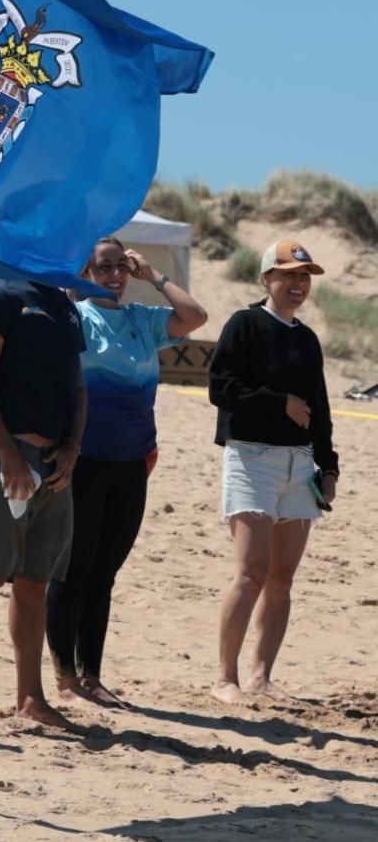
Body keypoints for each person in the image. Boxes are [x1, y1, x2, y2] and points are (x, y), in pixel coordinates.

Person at [47, 239, 207, 708]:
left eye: (121, 266)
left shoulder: (142, 319)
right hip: (82, 461)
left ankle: (92, 676)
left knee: (105, 574)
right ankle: (64, 678)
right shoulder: (73, 317)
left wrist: (154, 275)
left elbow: (195, 316)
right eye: (105, 267)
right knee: (72, 571)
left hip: (132, 462)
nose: (114, 274)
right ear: (87, 271)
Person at [209, 240, 339, 706]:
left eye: (305, 276)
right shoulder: (244, 324)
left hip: (299, 463)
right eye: (289, 275)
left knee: (282, 576)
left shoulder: (306, 338)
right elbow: (220, 387)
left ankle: (262, 676)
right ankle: (225, 678)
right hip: (251, 459)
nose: (298, 284)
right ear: (266, 279)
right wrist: (277, 401)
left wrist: (329, 466)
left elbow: (320, 407)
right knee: (251, 572)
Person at [0, 278, 86, 735]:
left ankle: (31, 699)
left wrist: (73, 447)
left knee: (35, 582)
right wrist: (7, 453)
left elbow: (77, 386)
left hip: (55, 464)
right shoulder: (1, 297)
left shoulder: (64, 306)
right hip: (2, 457)